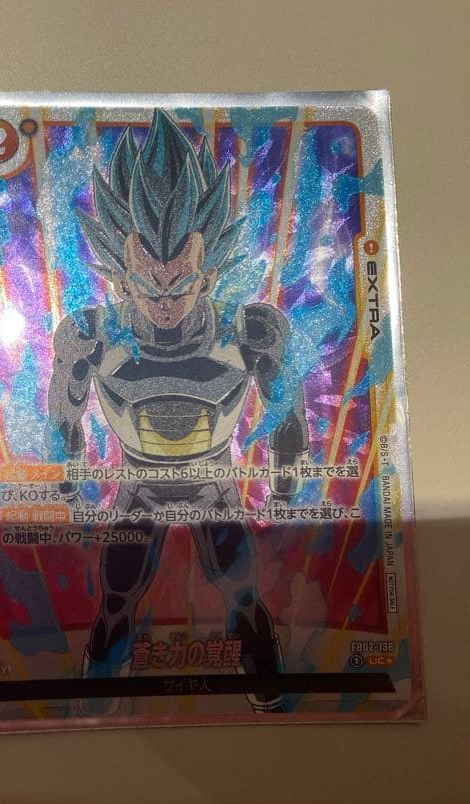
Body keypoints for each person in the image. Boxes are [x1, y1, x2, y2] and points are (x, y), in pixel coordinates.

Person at [48, 109, 308, 713]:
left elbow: (286, 411)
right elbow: (66, 412)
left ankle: (257, 657)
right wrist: (69, 474)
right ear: (121, 279)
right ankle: (103, 672)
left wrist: (286, 478)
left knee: (240, 592)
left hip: (214, 482)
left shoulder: (249, 332)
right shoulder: (91, 336)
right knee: (118, 595)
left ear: (208, 274)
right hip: (137, 486)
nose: (164, 299)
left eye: (179, 283)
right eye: (149, 285)